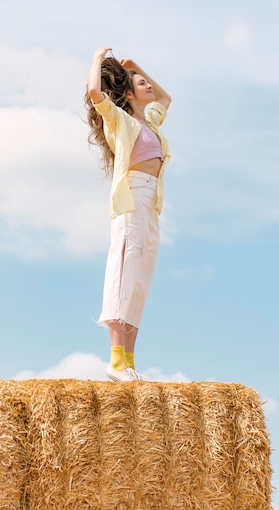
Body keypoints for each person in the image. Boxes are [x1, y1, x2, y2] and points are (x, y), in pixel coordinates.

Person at [85, 47, 171, 381]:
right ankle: (115, 359)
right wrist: (95, 62)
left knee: (141, 277)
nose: (148, 87)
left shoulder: (149, 122)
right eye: (141, 83)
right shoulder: (119, 119)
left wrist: (137, 67)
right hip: (131, 197)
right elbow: (95, 93)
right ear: (127, 92)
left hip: (151, 204)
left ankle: (129, 361)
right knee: (124, 267)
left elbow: (166, 98)